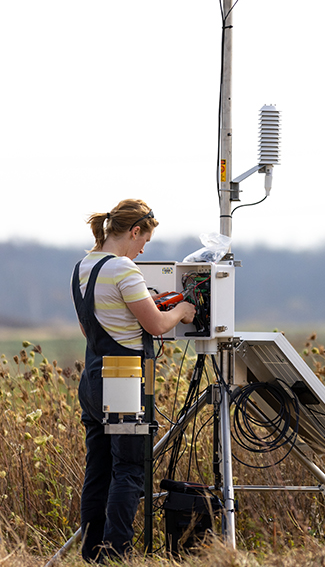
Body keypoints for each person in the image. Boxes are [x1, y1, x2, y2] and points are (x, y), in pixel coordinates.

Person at [73, 199, 195, 562]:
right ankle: (117, 553)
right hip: (124, 378)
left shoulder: (83, 266)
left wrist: (144, 304)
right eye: (144, 241)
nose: (143, 250)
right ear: (134, 231)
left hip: (92, 375)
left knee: (98, 468)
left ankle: (94, 551)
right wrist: (181, 311)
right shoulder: (124, 269)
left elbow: (89, 325)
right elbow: (156, 326)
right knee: (128, 468)